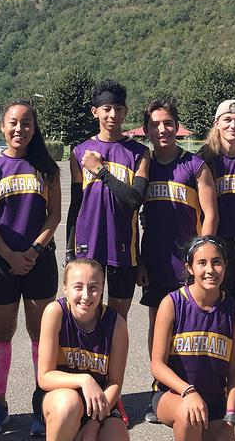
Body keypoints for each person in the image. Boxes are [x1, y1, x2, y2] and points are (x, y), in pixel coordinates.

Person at [0, 101, 62, 436]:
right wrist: (10, 255)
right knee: (1, 333)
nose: (19, 129)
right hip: (0, 263)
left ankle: (42, 404)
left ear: (34, 127)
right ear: (2, 126)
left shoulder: (47, 168)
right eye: (13, 122)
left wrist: (33, 250)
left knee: (41, 336)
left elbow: (54, 216)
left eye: (27, 123)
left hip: (39, 262)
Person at [141, 98, 218, 423]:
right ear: (146, 129)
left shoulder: (195, 165)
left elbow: (211, 214)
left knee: (189, 328)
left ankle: (193, 388)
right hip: (155, 261)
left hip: (187, 266)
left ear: (177, 126)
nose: (163, 129)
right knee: (158, 326)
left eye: (168, 123)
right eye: (156, 124)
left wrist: (202, 259)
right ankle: (160, 391)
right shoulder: (142, 165)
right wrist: (140, 262)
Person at [196, 99, 235, 414]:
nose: (233, 125)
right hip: (216, 246)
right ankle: (210, 382)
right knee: (213, 312)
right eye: (227, 119)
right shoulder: (205, 158)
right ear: (216, 123)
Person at [150, 236, 235, 441]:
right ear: (190, 268)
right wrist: (188, 391)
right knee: (188, 415)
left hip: (214, 403)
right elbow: (157, 365)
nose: (210, 270)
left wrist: (230, 417)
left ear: (225, 266)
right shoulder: (172, 303)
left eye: (217, 262)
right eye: (202, 263)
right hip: (174, 396)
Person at [67, 79, 150, 319]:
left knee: (117, 321)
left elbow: (135, 200)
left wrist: (101, 172)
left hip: (123, 249)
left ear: (126, 111)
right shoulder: (79, 152)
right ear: (95, 112)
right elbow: (76, 206)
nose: (113, 114)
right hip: (87, 247)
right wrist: (68, 253)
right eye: (106, 109)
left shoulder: (139, 153)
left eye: (119, 109)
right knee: (85, 318)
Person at [37, 258, 130, 441]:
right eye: (78, 287)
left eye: (93, 287)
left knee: (116, 436)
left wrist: (93, 424)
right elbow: (45, 377)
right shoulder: (55, 312)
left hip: (100, 405)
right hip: (60, 399)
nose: (86, 296)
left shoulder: (116, 323)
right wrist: (84, 380)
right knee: (68, 403)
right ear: (65, 288)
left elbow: (115, 382)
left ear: (102, 288)